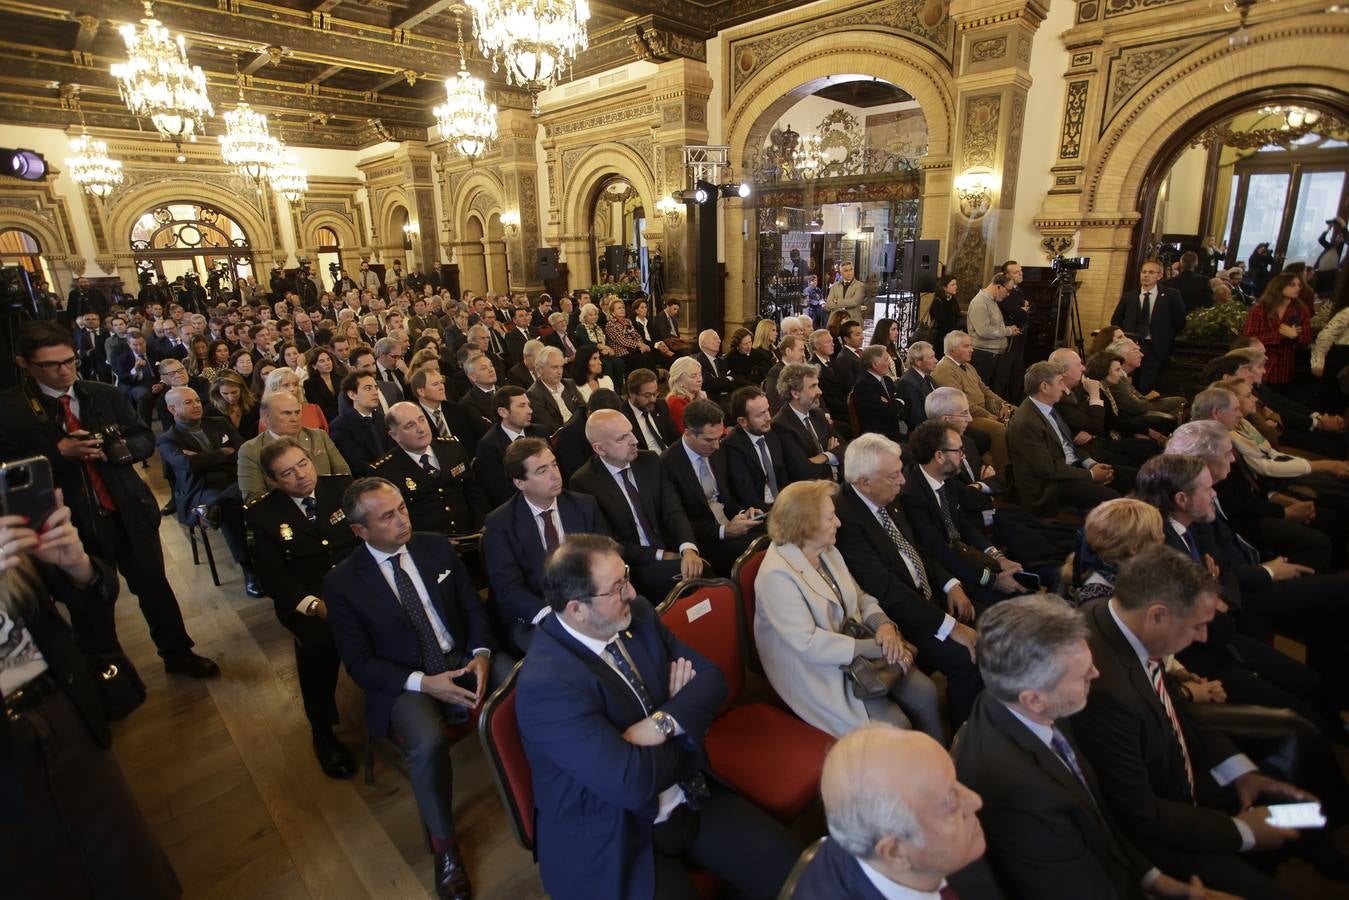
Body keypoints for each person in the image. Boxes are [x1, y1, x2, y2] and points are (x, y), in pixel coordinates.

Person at [515, 534, 802, 900]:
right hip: (614, 833)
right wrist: (685, 722)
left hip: (690, 795)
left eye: (627, 578)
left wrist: (661, 723)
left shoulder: (638, 615)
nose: (631, 593)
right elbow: (631, 784)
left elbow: (714, 680)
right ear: (576, 609)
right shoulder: (547, 686)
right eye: (617, 588)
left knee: (801, 876)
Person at [1072, 545, 1337, 900]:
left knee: (1295, 802)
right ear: (1158, 615)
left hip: (1183, 774)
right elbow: (1139, 814)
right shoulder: (1104, 688)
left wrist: (1239, 771)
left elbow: (1176, 706)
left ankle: (1301, 847)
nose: (1203, 638)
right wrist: (1240, 830)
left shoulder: (1118, 619)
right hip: (1160, 830)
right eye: (1197, 625)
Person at [954, 595, 1228, 900]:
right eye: (1082, 674)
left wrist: (1157, 881)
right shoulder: (1025, 798)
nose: (1095, 674)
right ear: (1034, 699)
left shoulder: (1012, 695)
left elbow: (1097, 816)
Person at [324, 478, 512, 900]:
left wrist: (481, 652)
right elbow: (359, 663)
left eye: (402, 508)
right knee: (427, 744)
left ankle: (544, 784)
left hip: (462, 656)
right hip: (406, 680)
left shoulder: (435, 547)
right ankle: (446, 848)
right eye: (387, 516)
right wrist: (424, 683)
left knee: (525, 686)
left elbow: (471, 606)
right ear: (360, 531)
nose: (402, 520)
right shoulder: (343, 582)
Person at [0, 321, 218, 677]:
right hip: (70, 523)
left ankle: (178, 653)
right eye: (51, 365)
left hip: (127, 508)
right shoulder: (11, 411)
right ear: (24, 364)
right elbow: (8, 472)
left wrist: (116, 450)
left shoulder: (102, 394)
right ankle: (109, 674)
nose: (65, 371)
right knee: (91, 606)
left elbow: (144, 438)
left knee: (156, 590)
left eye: (69, 361)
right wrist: (59, 452)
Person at [0, 496, 181, 899]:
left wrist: (78, 569)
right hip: (8, 770)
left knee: (132, 867)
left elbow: (88, 615)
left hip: (63, 716)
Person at [753, 479, 943, 742]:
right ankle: (907, 778)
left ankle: (938, 769)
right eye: (831, 518)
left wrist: (885, 626)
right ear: (804, 526)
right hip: (817, 671)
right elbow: (809, 644)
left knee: (926, 693)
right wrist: (882, 648)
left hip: (859, 647)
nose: (838, 523)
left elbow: (861, 597)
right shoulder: (775, 575)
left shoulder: (827, 549)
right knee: (895, 725)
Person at [833, 433, 983, 730]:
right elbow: (886, 590)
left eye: (901, 471)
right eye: (894, 476)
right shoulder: (845, 519)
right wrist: (949, 626)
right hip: (899, 616)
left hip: (924, 596)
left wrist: (950, 584)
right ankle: (965, 737)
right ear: (864, 482)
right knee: (965, 657)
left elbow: (917, 550)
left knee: (986, 624)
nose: (903, 481)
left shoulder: (886, 496)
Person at [244, 440, 358, 778]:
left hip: (357, 582)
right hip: (308, 595)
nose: (301, 476)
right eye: (288, 473)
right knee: (319, 644)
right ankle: (323, 731)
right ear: (273, 481)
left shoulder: (342, 487)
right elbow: (272, 577)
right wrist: (314, 606)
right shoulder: (262, 513)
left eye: (303, 464)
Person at [794, 725, 997, 900]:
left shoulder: (944, 841)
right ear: (896, 852)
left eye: (955, 782)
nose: (975, 800)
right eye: (949, 800)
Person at [482, 438, 609, 654]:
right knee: (567, 650)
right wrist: (556, 616)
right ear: (519, 482)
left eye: (554, 464)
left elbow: (605, 558)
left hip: (586, 601)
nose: (555, 474)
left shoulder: (584, 505)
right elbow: (508, 588)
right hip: (534, 613)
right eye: (541, 470)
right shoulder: (500, 523)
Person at [569, 409, 704, 599]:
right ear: (600, 449)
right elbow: (608, 541)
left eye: (631, 432)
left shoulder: (649, 460)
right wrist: (660, 555)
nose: (634, 440)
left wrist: (688, 548)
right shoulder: (584, 482)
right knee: (692, 583)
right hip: (634, 564)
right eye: (622, 438)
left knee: (703, 574)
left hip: (672, 549)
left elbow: (673, 510)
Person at [902, 420, 1032, 605]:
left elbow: (963, 524)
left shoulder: (944, 479)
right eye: (958, 451)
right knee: (1014, 601)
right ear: (939, 456)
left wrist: (998, 557)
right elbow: (939, 551)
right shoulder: (912, 495)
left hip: (962, 556)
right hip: (945, 574)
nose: (963, 456)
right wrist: (994, 581)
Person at [155, 386, 257, 596]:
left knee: (247, 492)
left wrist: (202, 458)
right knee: (231, 507)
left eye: (197, 400)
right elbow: (188, 465)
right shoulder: (167, 439)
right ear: (172, 409)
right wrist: (222, 453)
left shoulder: (219, 422)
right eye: (188, 403)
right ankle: (249, 570)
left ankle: (212, 509)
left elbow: (242, 450)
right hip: (200, 490)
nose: (196, 405)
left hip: (232, 481)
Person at [661, 399, 766, 575]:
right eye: (709, 440)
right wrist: (724, 531)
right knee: (757, 550)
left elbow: (726, 497)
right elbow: (678, 521)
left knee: (777, 533)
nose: (717, 445)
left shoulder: (716, 451)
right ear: (688, 434)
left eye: (719, 437)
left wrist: (743, 514)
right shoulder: (668, 464)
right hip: (705, 539)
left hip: (730, 525)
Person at [1005, 360, 1119, 516]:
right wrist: (1091, 475)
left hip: (1068, 468)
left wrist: (1090, 464)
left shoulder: (1048, 406)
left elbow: (1068, 444)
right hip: (1048, 486)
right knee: (1113, 497)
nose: (1064, 387)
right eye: (1060, 382)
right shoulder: (1026, 422)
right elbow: (1047, 469)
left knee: (1121, 476)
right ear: (1044, 387)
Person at [370, 402, 486, 536]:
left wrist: (482, 523)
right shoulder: (385, 471)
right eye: (410, 425)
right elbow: (395, 521)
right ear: (394, 435)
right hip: (428, 546)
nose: (421, 429)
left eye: (422, 419)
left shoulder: (452, 448)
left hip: (471, 536)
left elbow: (473, 490)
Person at [237, 390, 350, 502]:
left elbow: (344, 475)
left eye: (297, 412)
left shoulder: (318, 436)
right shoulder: (251, 450)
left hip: (330, 501)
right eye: (287, 413)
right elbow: (254, 499)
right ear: (267, 417)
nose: (295, 419)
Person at [931, 331, 1012, 470]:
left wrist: (1003, 403)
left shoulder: (968, 366)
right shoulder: (945, 369)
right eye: (966, 346)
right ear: (952, 350)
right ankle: (1003, 472)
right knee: (999, 429)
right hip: (965, 415)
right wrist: (987, 415)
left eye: (971, 345)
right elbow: (960, 403)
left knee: (1016, 413)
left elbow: (985, 389)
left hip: (983, 408)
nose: (972, 349)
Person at [1110, 259, 1188, 393]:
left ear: (1159, 275)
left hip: (1155, 348)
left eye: (1151, 272)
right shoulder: (1130, 296)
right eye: (1144, 272)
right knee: (1125, 385)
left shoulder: (1171, 295)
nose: (1146, 275)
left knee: (1145, 386)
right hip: (1130, 347)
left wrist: (1165, 337)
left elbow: (1180, 321)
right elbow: (1116, 320)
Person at [473, 385, 549, 509]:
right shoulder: (488, 446)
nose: (530, 410)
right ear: (503, 412)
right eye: (522, 406)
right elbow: (499, 492)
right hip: (519, 507)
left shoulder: (541, 432)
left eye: (528, 405)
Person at [771, 363, 846, 483]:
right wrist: (832, 457)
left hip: (836, 482)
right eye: (813, 386)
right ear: (795, 393)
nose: (820, 391)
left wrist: (824, 456)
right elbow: (802, 471)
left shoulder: (817, 414)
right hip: (811, 492)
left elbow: (845, 448)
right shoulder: (781, 425)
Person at [721, 387, 788, 515]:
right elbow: (747, 497)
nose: (768, 417)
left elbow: (783, 476)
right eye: (760, 414)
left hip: (783, 504)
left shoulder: (772, 432)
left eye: (767, 410)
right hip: (760, 513)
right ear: (743, 421)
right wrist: (780, 512)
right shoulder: (732, 447)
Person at [1244, 272, 1311, 390]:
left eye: (1299, 285)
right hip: (1261, 365)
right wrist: (1279, 336)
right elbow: (1249, 339)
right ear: (1279, 286)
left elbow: (1306, 341)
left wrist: (1295, 337)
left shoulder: (1301, 311)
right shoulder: (1260, 309)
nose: (1297, 288)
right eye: (1292, 285)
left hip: (1286, 368)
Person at [328, 371, 394, 476]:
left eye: (375, 388)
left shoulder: (383, 419)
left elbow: (394, 452)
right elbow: (357, 466)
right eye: (368, 388)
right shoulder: (341, 426)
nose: (375, 392)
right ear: (352, 395)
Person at [967, 273, 1020, 398]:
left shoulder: (992, 301)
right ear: (998, 286)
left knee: (994, 392)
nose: (1008, 294)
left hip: (993, 355)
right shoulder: (979, 302)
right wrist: (1007, 331)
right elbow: (983, 331)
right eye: (1008, 290)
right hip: (983, 355)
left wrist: (1008, 329)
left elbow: (995, 325)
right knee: (982, 393)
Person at [852, 345, 907, 441]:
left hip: (895, 428)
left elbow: (903, 399)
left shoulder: (886, 379)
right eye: (886, 360)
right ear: (875, 364)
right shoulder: (864, 385)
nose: (889, 363)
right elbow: (887, 411)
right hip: (879, 437)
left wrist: (895, 403)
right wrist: (898, 403)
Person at [527, 346, 584, 434]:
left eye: (561, 367)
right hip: (562, 438)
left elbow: (583, 409)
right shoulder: (534, 394)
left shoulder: (569, 384)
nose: (559, 372)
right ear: (540, 369)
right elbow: (550, 427)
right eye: (554, 367)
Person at [624, 368, 679, 453]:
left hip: (669, 456)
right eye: (647, 395)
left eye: (655, 393)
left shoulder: (660, 405)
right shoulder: (622, 416)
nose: (653, 399)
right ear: (632, 394)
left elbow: (675, 437)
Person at [897, 340, 939, 432]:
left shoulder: (928, 378)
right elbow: (917, 419)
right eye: (931, 358)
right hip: (924, 433)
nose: (936, 360)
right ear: (918, 362)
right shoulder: (908, 383)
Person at [210, 370, 260, 438]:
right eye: (225, 393)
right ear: (217, 392)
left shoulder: (255, 406)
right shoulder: (211, 412)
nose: (231, 398)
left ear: (241, 389)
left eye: (234, 392)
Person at [694, 330, 737, 405]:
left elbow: (732, 384)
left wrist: (719, 381)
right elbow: (708, 384)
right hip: (709, 402)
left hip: (727, 398)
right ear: (704, 343)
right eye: (715, 338)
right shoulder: (698, 362)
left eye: (719, 338)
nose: (719, 341)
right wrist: (727, 380)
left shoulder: (721, 361)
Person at [664, 356, 704, 434]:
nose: (699, 380)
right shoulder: (674, 402)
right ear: (679, 381)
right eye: (693, 376)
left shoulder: (699, 396)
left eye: (700, 375)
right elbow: (690, 433)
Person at [929, 273, 962, 360]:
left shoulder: (953, 300)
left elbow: (957, 316)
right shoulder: (938, 301)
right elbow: (941, 322)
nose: (955, 286)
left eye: (956, 284)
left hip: (951, 338)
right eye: (952, 284)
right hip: (941, 339)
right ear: (944, 287)